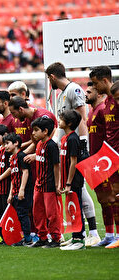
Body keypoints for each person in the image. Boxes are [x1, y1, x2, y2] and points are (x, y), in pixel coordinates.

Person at [46, 63, 99, 246]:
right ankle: (81, 232)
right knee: (75, 191)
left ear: (52, 76)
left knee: (79, 188)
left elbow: (82, 117)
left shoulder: (73, 89)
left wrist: (80, 142)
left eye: (48, 78)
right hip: (66, 146)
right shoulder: (62, 94)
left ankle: (91, 231)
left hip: (77, 145)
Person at [89, 67, 119, 249]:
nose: (94, 86)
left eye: (95, 83)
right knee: (114, 196)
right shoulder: (108, 102)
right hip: (111, 157)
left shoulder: (115, 100)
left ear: (104, 80)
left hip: (116, 154)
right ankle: (114, 235)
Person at [29, 117, 61, 248]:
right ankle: (42, 237)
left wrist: (58, 185)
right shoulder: (39, 144)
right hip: (39, 184)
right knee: (37, 213)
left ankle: (56, 238)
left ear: (45, 131)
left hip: (49, 185)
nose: (33, 133)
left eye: (36, 130)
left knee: (52, 214)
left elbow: (56, 166)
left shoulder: (52, 146)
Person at [57, 110, 86, 250]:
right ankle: (75, 236)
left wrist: (68, 182)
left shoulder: (73, 139)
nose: (59, 121)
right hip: (67, 181)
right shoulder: (65, 138)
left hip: (74, 181)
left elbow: (73, 162)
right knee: (71, 209)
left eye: (61, 119)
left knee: (76, 208)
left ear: (68, 123)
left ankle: (79, 239)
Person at [5, 133, 32, 246]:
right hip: (15, 191)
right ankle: (24, 237)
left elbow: (25, 172)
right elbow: (13, 177)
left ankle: (28, 238)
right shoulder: (12, 158)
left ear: (16, 143)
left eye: (7, 143)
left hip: (23, 192)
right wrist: (11, 194)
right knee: (20, 215)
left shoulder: (21, 156)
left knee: (23, 214)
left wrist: (22, 190)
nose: (5, 146)